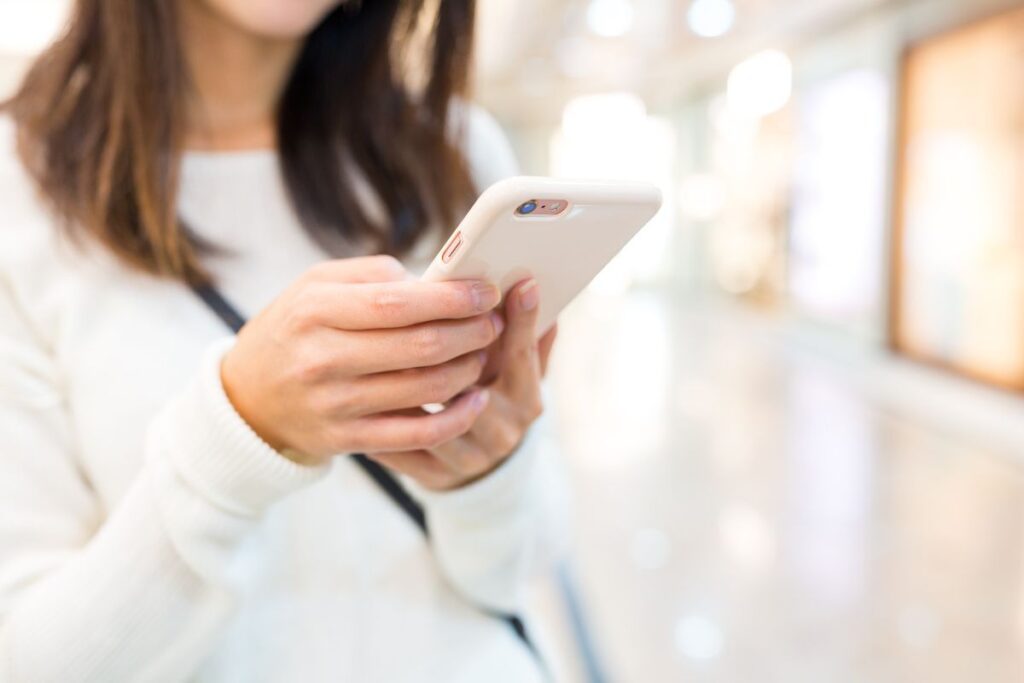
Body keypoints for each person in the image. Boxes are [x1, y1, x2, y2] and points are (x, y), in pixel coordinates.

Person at [0, 0, 563, 680]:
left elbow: (519, 573)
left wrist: (489, 473)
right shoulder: (20, 186)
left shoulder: (454, 148)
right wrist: (237, 436)